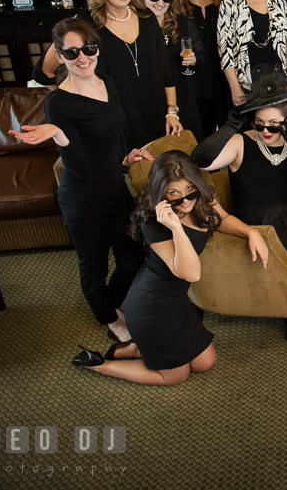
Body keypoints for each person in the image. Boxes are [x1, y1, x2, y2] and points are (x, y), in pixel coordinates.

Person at [70, 150, 269, 385]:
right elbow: (191, 273)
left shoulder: (200, 199)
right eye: (173, 193)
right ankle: (103, 365)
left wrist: (250, 231)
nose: (184, 200)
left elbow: (222, 218)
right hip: (151, 310)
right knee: (176, 375)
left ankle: (136, 349)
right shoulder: (154, 224)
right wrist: (176, 227)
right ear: (161, 193)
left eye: (189, 190)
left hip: (176, 304)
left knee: (204, 362)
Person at [12, 18, 151, 344]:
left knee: (132, 259)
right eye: (71, 52)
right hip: (83, 197)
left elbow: (112, 132)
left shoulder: (105, 82)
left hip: (114, 189)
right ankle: (107, 317)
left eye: (88, 48)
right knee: (94, 268)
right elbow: (81, 167)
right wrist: (59, 135)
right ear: (59, 56)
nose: (82, 57)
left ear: (97, 48)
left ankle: (109, 301)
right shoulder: (58, 104)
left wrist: (122, 160)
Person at [190, 75, 287, 298]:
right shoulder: (240, 143)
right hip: (262, 216)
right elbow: (200, 160)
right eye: (259, 124)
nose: (266, 131)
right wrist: (230, 126)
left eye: (274, 125)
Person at [32, 0, 182, 151]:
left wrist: (172, 112)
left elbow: (166, 73)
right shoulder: (83, 24)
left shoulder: (147, 18)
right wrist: (80, 101)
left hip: (155, 114)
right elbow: (43, 73)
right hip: (112, 120)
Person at [170, 0, 229, 137]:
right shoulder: (175, 12)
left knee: (230, 139)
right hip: (195, 88)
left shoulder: (223, 5)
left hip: (225, 84)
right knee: (202, 142)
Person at [143, 0, 205, 142]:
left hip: (181, 92)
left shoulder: (182, 23)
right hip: (150, 94)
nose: (161, 2)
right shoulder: (135, 28)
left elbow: (201, 56)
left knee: (187, 142)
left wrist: (193, 59)